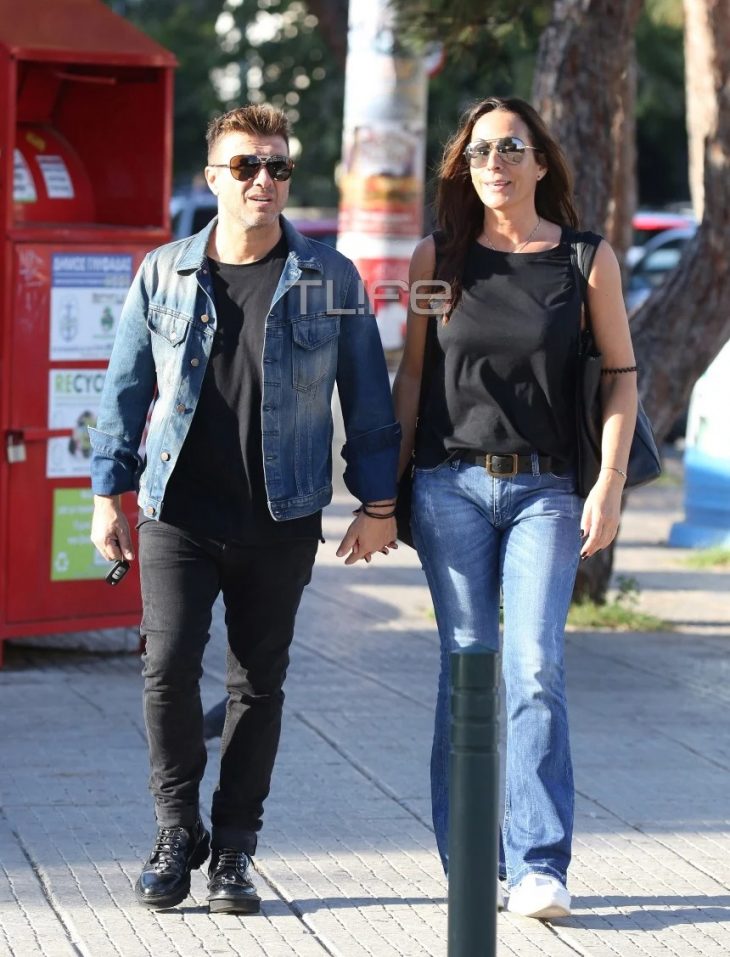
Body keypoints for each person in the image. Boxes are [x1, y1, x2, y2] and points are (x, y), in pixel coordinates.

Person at [89, 104, 400, 915]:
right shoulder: (164, 271)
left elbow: (368, 398)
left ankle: (233, 848)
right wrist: (105, 494)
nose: (264, 179)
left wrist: (378, 501)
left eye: (277, 165)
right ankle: (175, 829)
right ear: (212, 178)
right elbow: (125, 389)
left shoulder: (330, 278)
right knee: (166, 670)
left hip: (281, 512)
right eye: (246, 165)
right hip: (177, 509)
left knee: (258, 684)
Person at [392, 96, 638, 919]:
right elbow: (414, 378)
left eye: (509, 149)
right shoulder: (437, 258)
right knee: (467, 664)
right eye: (478, 152)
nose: (493, 163)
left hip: (547, 489)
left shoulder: (585, 259)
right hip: (449, 487)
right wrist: (382, 495)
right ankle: (472, 859)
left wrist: (609, 483)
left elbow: (621, 378)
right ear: (463, 167)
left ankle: (538, 862)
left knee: (534, 664)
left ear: (540, 162)